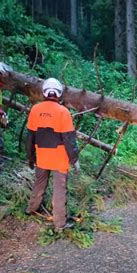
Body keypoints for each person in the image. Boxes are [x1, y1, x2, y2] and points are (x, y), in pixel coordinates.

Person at [25, 78, 80, 231]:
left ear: (44, 92)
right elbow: (69, 140)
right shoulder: (63, 112)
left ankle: (31, 209)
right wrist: (74, 159)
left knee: (39, 183)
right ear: (59, 94)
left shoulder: (35, 110)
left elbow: (30, 137)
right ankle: (60, 224)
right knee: (59, 189)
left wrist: (30, 157)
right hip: (59, 159)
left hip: (41, 156)